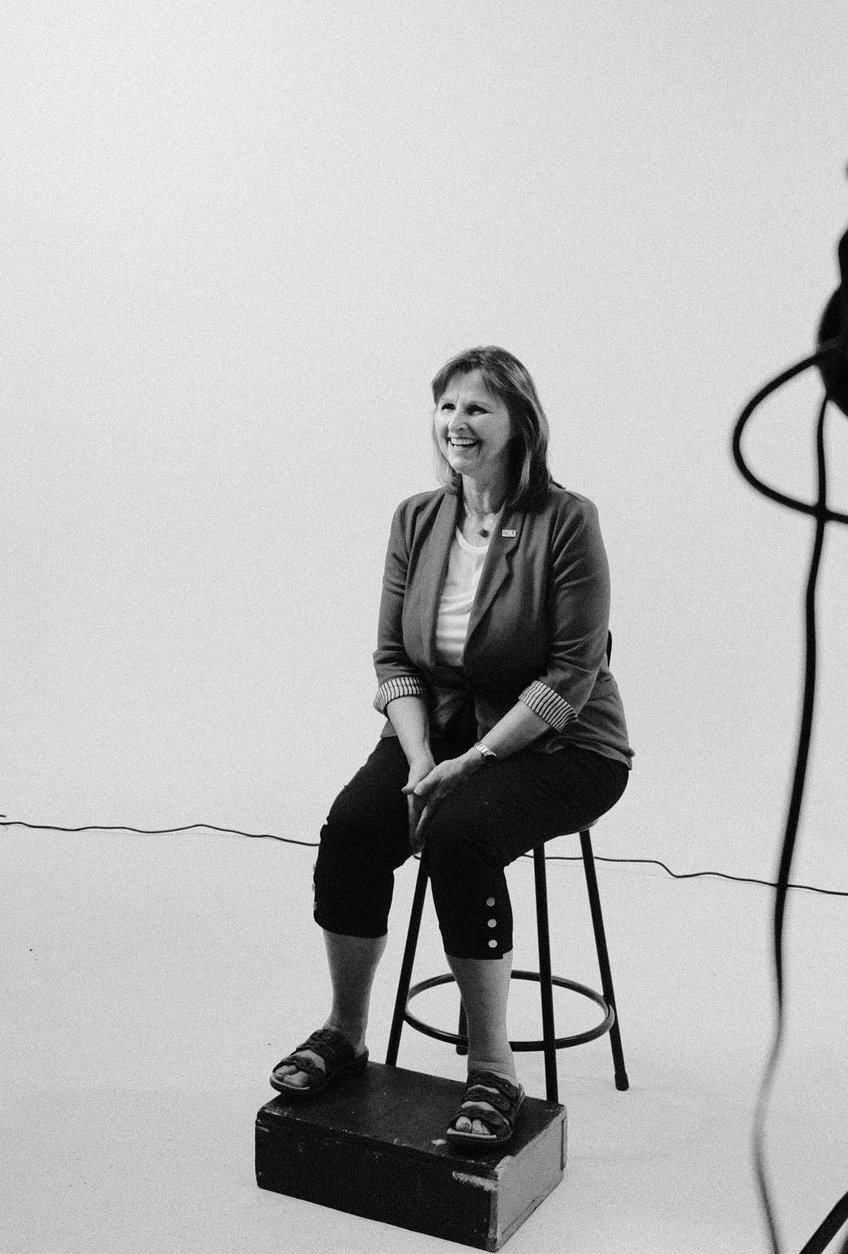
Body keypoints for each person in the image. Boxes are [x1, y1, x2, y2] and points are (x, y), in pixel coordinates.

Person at [267, 346, 631, 1150]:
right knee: (354, 829)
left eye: (479, 408)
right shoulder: (416, 518)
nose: (458, 423)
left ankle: (495, 1068)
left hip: (563, 745)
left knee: (461, 837)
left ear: (519, 423)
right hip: (438, 734)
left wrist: (469, 764)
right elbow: (392, 659)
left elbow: (574, 672)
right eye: (448, 407)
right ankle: (344, 1031)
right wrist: (423, 755)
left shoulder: (568, 520)